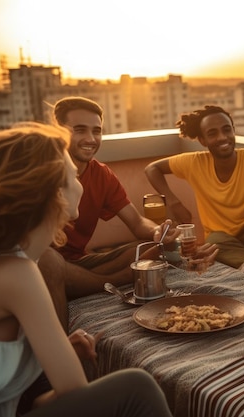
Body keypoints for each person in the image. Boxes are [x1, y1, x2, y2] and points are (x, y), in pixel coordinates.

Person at [0, 123, 172, 417]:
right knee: (136, 387)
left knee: (137, 253)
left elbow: (25, 403)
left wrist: (52, 353)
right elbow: (76, 396)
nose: (81, 179)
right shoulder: (16, 273)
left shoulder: (12, 260)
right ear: (53, 189)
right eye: (73, 173)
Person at [37, 96, 181, 330]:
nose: (90, 139)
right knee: (49, 261)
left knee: (148, 248)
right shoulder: (40, 170)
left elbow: (136, 223)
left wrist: (158, 231)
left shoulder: (102, 174)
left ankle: (87, 281)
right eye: (79, 130)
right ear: (58, 131)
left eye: (97, 131)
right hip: (39, 265)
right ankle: (116, 280)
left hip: (79, 264)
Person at [145, 105, 244, 283]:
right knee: (214, 241)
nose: (222, 137)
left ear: (233, 131)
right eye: (212, 133)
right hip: (223, 242)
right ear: (202, 140)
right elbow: (152, 169)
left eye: (226, 130)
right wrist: (174, 202)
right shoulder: (194, 162)